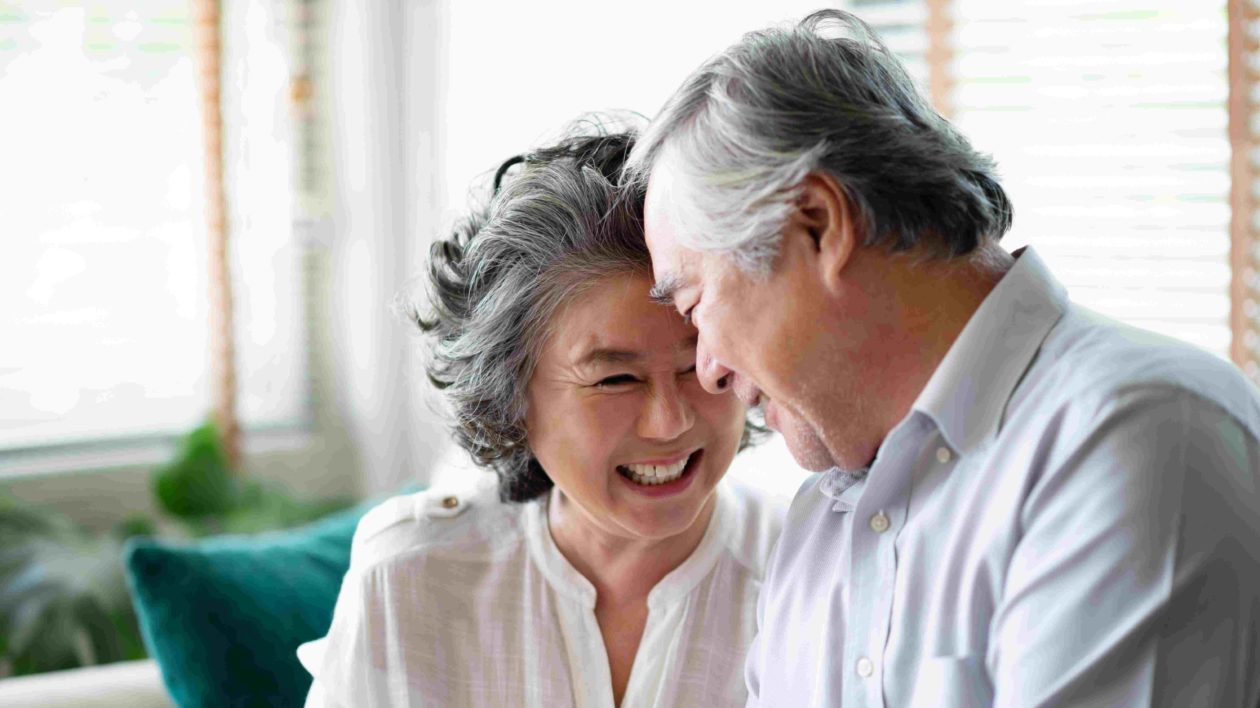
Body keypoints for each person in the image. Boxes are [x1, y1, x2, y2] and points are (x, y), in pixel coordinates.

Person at [626, 9, 1260, 707]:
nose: (709, 369)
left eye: (695, 307)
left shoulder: (1134, 433)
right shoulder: (820, 523)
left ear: (818, 225)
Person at [298, 123, 784, 707]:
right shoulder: (411, 576)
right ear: (512, 398)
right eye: (616, 379)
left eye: (695, 364)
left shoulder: (808, 575)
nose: (670, 423)